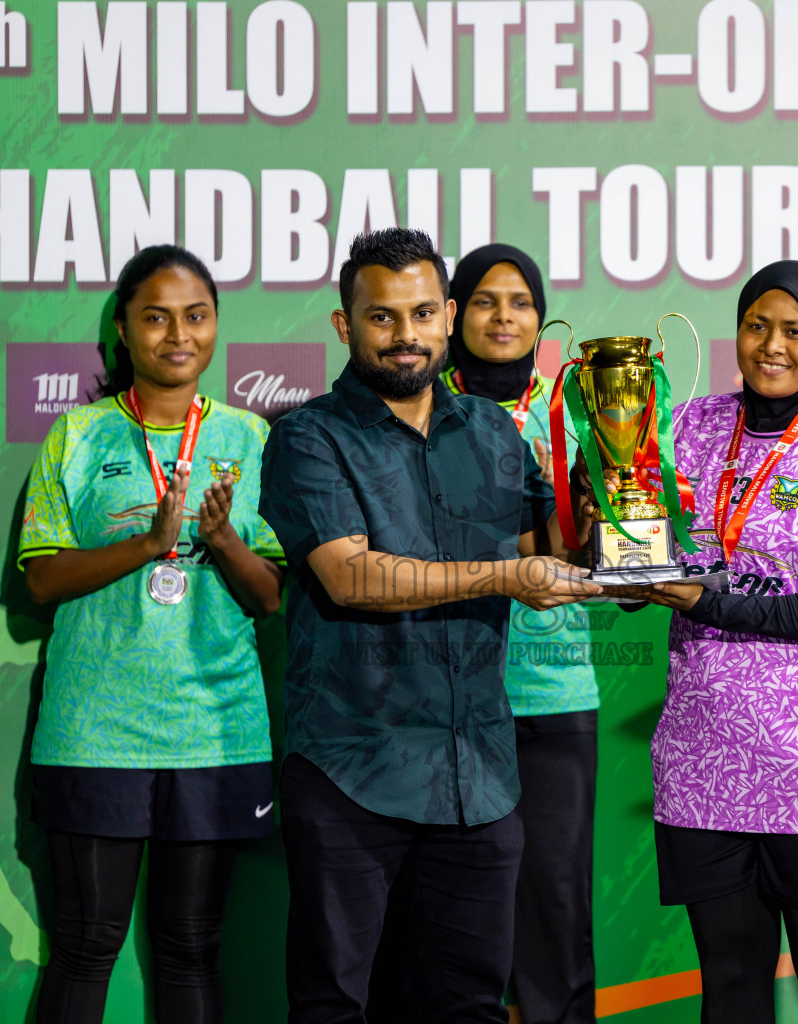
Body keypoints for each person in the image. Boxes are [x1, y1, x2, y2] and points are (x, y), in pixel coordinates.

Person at [258, 227, 599, 1024]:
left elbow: (541, 550)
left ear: (447, 317)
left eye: (419, 314)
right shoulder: (307, 438)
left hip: (476, 777)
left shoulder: (493, 433)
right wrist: (510, 577)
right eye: (382, 318)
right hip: (353, 771)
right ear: (345, 327)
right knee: (338, 1005)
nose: (404, 335)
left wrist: (607, 504)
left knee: (471, 1006)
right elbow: (350, 576)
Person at [609, 260, 798, 1024]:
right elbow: (643, 546)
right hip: (705, 758)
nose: (772, 346)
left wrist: (703, 601)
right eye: (756, 326)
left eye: (795, 331)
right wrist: (615, 524)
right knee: (732, 986)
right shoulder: (691, 425)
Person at [18, 245, 285, 1024]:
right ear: (125, 331)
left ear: (215, 328)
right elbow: (41, 581)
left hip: (214, 731)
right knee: (83, 945)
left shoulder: (251, 440)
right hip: (94, 731)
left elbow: (271, 598)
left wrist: (224, 538)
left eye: (195, 316)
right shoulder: (76, 436)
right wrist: (146, 543)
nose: (178, 334)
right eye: (156, 316)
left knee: (192, 947)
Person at [443, 243, 600, 1024]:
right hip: (440, 694)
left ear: (542, 318)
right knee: (448, 912)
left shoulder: (575, 405)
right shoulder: (417, 405)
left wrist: (601, 519)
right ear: (451, 314)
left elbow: (599, 549)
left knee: (554, 902)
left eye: (521, 303)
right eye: (484, 301)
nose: (504, 317)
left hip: (553, 687)